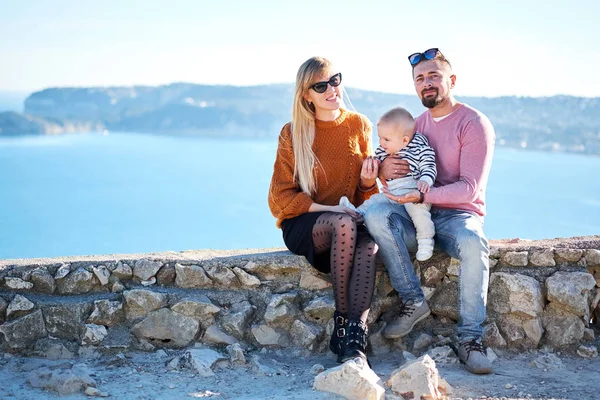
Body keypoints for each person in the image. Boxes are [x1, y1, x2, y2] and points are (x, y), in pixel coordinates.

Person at [363, 48, 495, 374]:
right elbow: (391, 163)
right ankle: (412, 300)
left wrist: (423, 196)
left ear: (451, 80)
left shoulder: (474, 123)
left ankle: (470, 340)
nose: (427, 83)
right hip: (415, 215)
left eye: (434, 76)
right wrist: (381, 171)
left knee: (472, 241)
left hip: (456, 215)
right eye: (420, 78)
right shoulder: (414, 125)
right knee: (376, 215)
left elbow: (470, 188)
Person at [268, 56, 380, 364]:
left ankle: (356, 335)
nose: (332, 89)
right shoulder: (293, 133)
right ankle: (342, 322)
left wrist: (368, 183)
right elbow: (279, 197)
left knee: (369, 245)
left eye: (335, 80)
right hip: (307, 226)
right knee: (342, 225)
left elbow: (366, 196)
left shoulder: (360, 125)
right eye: (321, 85)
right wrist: (331, 209)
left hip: (349, 223)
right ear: (307, 95)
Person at [340, 106, 437, 261]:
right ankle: (355, 213)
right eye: (380, 137)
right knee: (374, 201)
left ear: (404, 140)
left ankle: (426, 241)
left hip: (413, 190)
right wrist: (377, 169)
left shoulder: (420, 148)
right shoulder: (384, 150)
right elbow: (376, 163)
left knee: (419, 213)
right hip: (392, 191)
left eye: (386, 139)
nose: (381, 143)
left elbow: (429, 166)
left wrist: (426, 180)